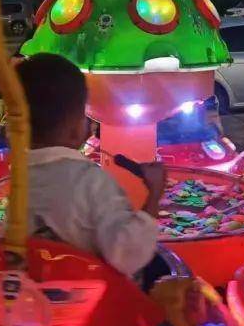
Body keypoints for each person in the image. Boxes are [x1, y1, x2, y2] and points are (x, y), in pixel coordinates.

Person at [17, 53, 165, 285]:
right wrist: (154, 194)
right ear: (76, 129)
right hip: (97, 302)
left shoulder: (19, 180)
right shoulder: (92, 182)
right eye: (84, 114)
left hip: (30, 298)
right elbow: (127, 255)